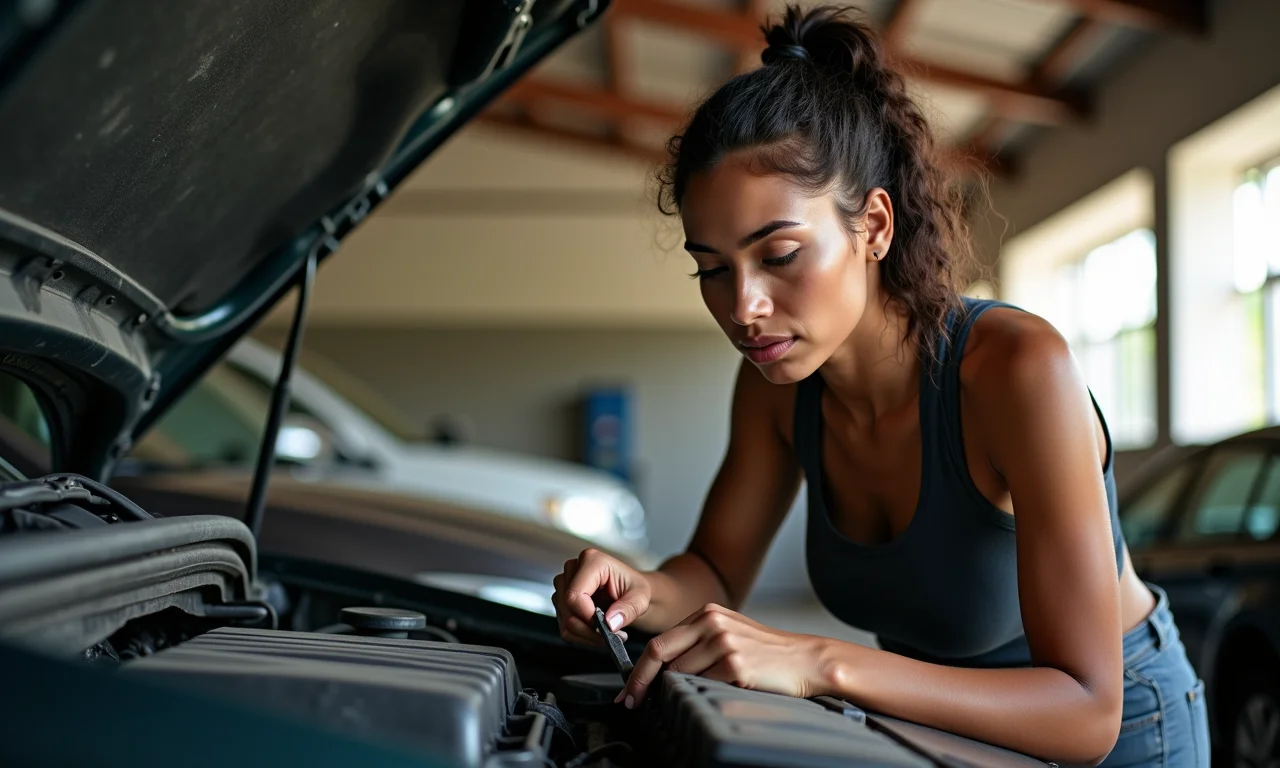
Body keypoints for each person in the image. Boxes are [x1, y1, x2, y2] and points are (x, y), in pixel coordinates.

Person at [550, 5, 1209, 766]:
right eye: (712, 268)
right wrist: (640, 589)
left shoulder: (1016, 370)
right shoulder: (773, 385)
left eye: (781, 254)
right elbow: (717, 573)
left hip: (1125, 730)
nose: (743, 306)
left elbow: (1086, 711)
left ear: (874, 227)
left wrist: (819, 662)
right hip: (947, 729)